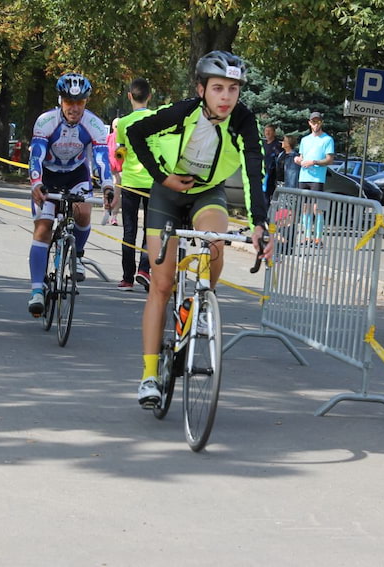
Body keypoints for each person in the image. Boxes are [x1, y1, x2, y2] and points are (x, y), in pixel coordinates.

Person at [126, 50, 272, 407]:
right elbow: (136, 133)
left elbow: (255, 170)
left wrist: (259, 225)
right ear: (201, 88)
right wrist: (162, 177)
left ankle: (202, 302)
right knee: (161, 284)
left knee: (215, 241)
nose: (226, 97)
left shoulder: (243, 121)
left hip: (207, 192)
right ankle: (148, 376)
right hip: (168, 192)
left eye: (233, 89)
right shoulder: (182, 112)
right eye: (218, 88)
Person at [26, 72, 115, 316]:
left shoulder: (94, 125)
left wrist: (108, 185)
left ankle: (77, 255)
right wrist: (36, 183)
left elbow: (101, 158)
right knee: (43, 227)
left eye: (79, 103)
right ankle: (36, 291)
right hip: (48, 176)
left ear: (86, 102)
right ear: (61, 101)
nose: (74, 108)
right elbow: (37, 155)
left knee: (83, 212)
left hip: (76, 175)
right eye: (69, 102)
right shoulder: (46, 121)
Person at [115, 77, 154, 292]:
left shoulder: (122, 123)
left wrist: (118, 156)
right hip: (152, 181)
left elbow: (121, 151)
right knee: (150, 230)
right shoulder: (156, 119)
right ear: (149, 96)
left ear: (129, 96)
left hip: (130, 182)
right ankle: (145, 270)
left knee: (129, 231)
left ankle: (127, 278)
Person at [294, 111, 335, 246]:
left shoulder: (327, 139)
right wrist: (299, 159)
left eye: (317, 122)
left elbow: (329, 160)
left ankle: (318, 237)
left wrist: (314, 162)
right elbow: (302, 156)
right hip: (303, 176)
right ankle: (306, 236)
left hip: (317, 179)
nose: (315, 124)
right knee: (305, 208)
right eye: (313, 122)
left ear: (321, 122)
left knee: (318, 208)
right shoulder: (305, 140)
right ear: (309, 123)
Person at [102, 117, 122, 226]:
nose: (117, 129)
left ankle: (114, 216)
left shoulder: (123, 139)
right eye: (116, 126)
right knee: (107, 191)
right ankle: (106, 212)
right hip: (109, 169)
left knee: (117, 193)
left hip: (119, 169)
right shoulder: (108, 138)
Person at [262, 123, 281, 202]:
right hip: (262, 173)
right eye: (266, 131)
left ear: (274, 133)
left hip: (271, 176)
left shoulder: (278, 145)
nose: (267, 133)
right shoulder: (262, 144)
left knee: (268, 196)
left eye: (269, 131)